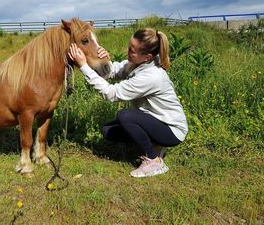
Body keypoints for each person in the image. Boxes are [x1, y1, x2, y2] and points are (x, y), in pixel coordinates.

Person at [69, 28, 188, 178]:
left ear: (147, 57)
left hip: (171, 129)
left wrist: (83, 66)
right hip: (154, 120)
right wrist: (103, 60)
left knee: (125, 116)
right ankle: (154, 144)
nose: (128, 51)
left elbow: (110, 94)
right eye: (129, 46)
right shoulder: (138, 63)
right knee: (108, 131)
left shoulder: (152, 76)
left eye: (132, 50)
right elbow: (112, 72)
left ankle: (154, 161)